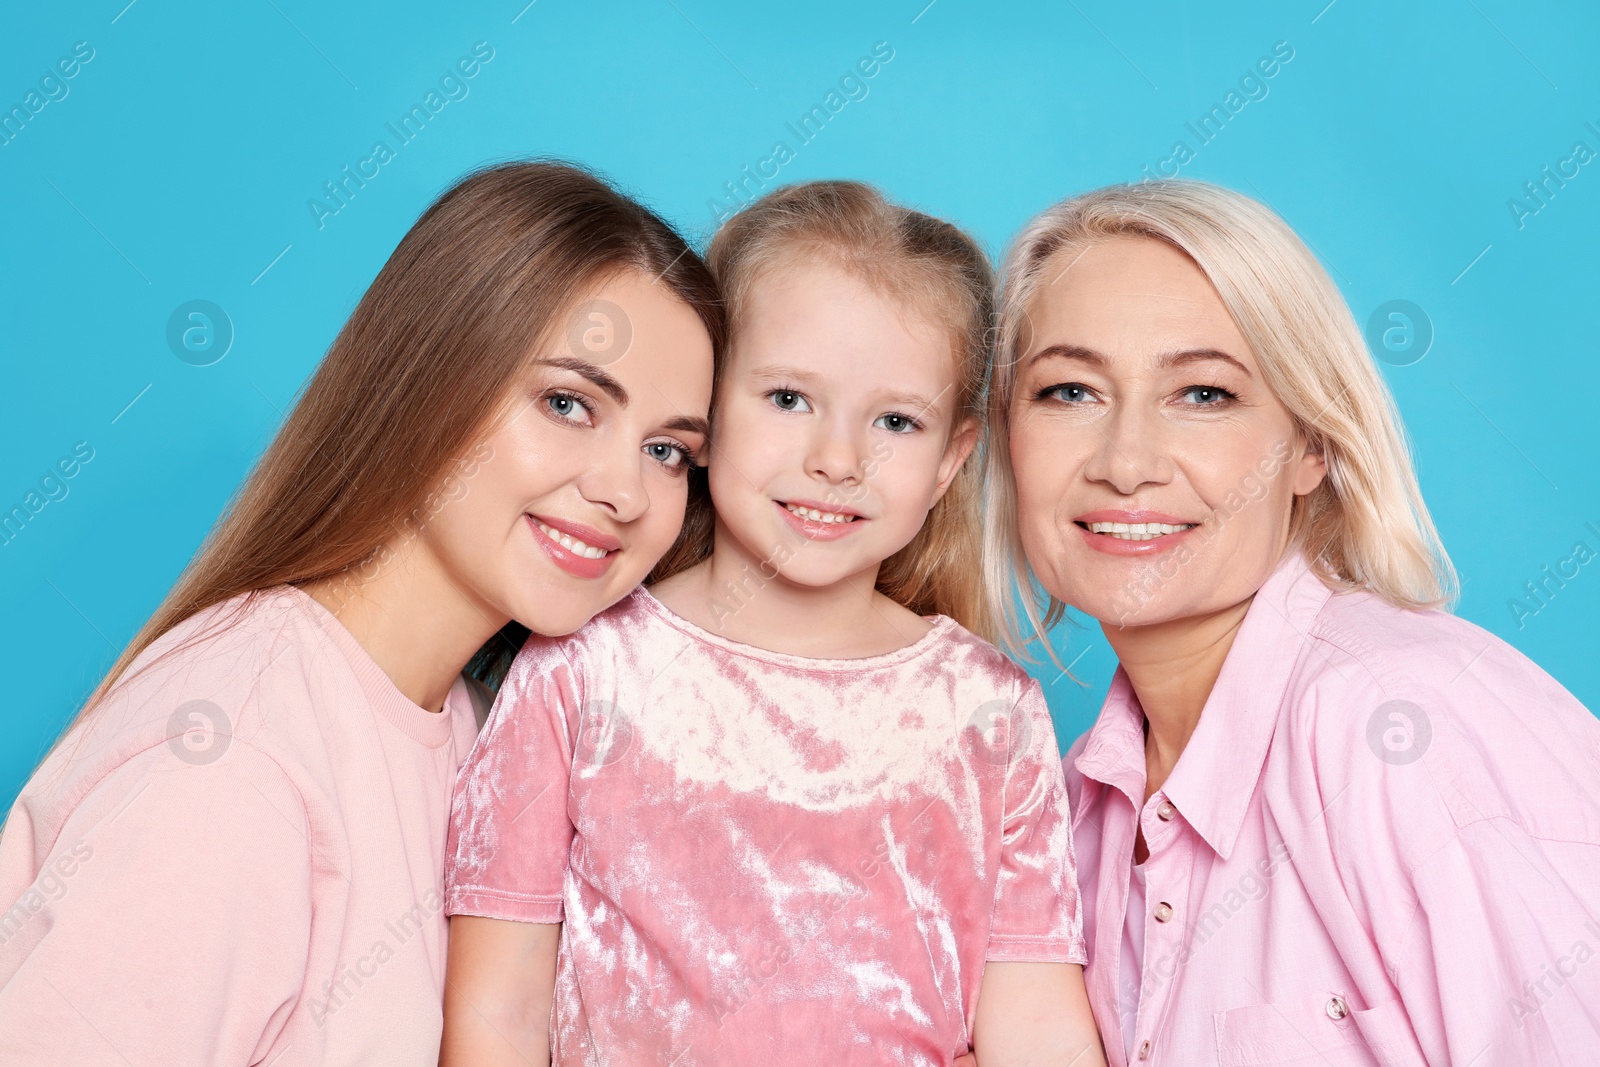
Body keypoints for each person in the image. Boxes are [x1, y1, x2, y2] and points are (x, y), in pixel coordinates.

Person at [0, 160, 722, 1066]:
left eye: (667, 449)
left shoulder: (474, 723)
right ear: (431, 380)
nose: (624, 490)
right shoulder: (234, 764)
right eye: (568, 403)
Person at [439, 181, 1105, 1066]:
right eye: (789, 398)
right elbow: (496, 1017)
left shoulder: (989, 711)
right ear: (708, 410)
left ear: (951, 460)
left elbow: (1039, 1025)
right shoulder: (583, 670)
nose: (836, 459)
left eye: (896, 421)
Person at [987, 178, 1600, 1065]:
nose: (1126, 464)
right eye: (1069, 391)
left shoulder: (1396, 722)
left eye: (1202, 394)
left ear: (1313, 444)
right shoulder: (1076, 808)